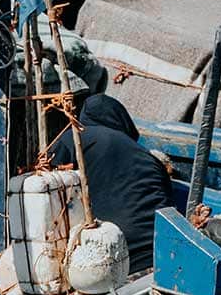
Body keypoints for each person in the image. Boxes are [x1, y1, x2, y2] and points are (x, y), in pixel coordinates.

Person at [50, 94, 174, 276]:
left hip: (112, 262)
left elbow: (49, 191)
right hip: (162, 257)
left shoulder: (73, 139)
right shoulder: (147, 156)